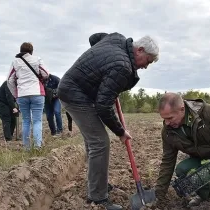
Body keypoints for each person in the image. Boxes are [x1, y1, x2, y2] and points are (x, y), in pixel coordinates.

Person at [57, 32, 159, 210]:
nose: (145, 67)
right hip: (74, 94)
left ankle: (96, 183)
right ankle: (97, 197)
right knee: (100, 142)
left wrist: (99, 67)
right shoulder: (123, 67)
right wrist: (120, 132)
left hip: (76, 88)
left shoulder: (116, 38)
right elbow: (103, 106)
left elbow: (94, 38)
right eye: (148, 61)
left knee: (94, 141)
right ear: (140, 50)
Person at [7, 42, 49, 150]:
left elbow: (9, 80)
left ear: (20, 50)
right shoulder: (37, 59)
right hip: (37, 92)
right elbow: (46, 74)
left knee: (26, 121)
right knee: (37, 121)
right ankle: (37, 146)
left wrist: (15, 94)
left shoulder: (15, 62)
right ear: (31, 51)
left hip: (22, 94)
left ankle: (26, 147)